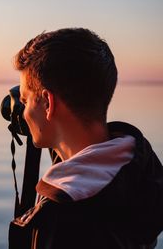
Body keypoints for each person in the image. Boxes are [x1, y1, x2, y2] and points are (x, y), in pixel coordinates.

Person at [13, 28, 163, 249]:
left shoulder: (63, 219)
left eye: (25, 101)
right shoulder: (138, 167)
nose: (23, 113)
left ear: (47, 103)